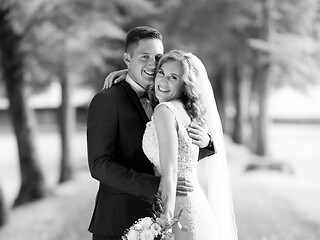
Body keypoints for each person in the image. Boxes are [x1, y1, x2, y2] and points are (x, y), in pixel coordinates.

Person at [86, 26, 215, 240]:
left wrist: (206, 141)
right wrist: (158, 185)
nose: (153, 64)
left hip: (166, 220)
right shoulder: (107, 100)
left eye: (157, 57)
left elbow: (177, 151)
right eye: (144, 57)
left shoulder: (164, 95)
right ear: (127, 58)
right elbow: (99, 165)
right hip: (119, 221)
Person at [142, 50, 238, 239]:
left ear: (184, 84)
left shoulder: (164, 110)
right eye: (161, 72)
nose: (163, 81)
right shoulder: (188, 112)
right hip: (196, 207)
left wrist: (165, 221)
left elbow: (171, 171)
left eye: (173, 77)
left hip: (178, 213)